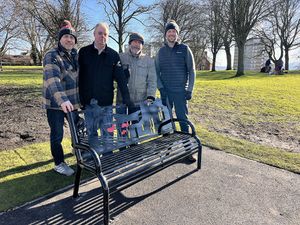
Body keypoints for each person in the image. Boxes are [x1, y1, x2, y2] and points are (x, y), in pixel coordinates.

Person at [78, 22, 132, 142]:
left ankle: (109, 158)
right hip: (88, 104)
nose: (102, 36)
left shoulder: (113, 55)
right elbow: (79, 78)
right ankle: (93, 158)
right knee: (91, 133)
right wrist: (80, 98)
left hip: (106, 105)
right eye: (100, 33)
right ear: (94, 34)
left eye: (105, 34)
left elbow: (121, 79)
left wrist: (127, 98)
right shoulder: (83, 52)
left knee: (108, 134)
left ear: (108, 36)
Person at [42, 20, 80, 176]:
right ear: (60, 39)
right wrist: (63, 100)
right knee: (57, 134)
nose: (69, 40)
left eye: (72, 38)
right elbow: (52, 80)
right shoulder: (52, 55)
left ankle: (79, 153)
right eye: (66, 37)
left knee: (77, 130)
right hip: (56, 103)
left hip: (73, 102)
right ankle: (59, 163)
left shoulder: (75, 55)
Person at [155, 20, 196, 162]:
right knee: (166, 122)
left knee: (183, 122)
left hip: (180, 93)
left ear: (177, 34)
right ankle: (166, 150)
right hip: (166, 93)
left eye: (174, 31)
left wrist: (189, 89)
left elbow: (192, 70)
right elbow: (156, 72)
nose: (171, 34)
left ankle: (187, 151)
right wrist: (161, 88)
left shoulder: (185, 49)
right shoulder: (160, 51)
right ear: (166, 34)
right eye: (169, 31)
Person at [117, 32, 157, 113]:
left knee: (136, 126)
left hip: (139, 104)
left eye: (139, 42)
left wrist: (150, 97)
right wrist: (120, 75)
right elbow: (112, 76)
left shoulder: (149, 61)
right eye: (134, 41)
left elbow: (152, 81)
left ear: (142, 45)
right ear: (130, 43)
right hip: (122, 103)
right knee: (122, 126)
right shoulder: (120, 57)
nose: (137, 44)